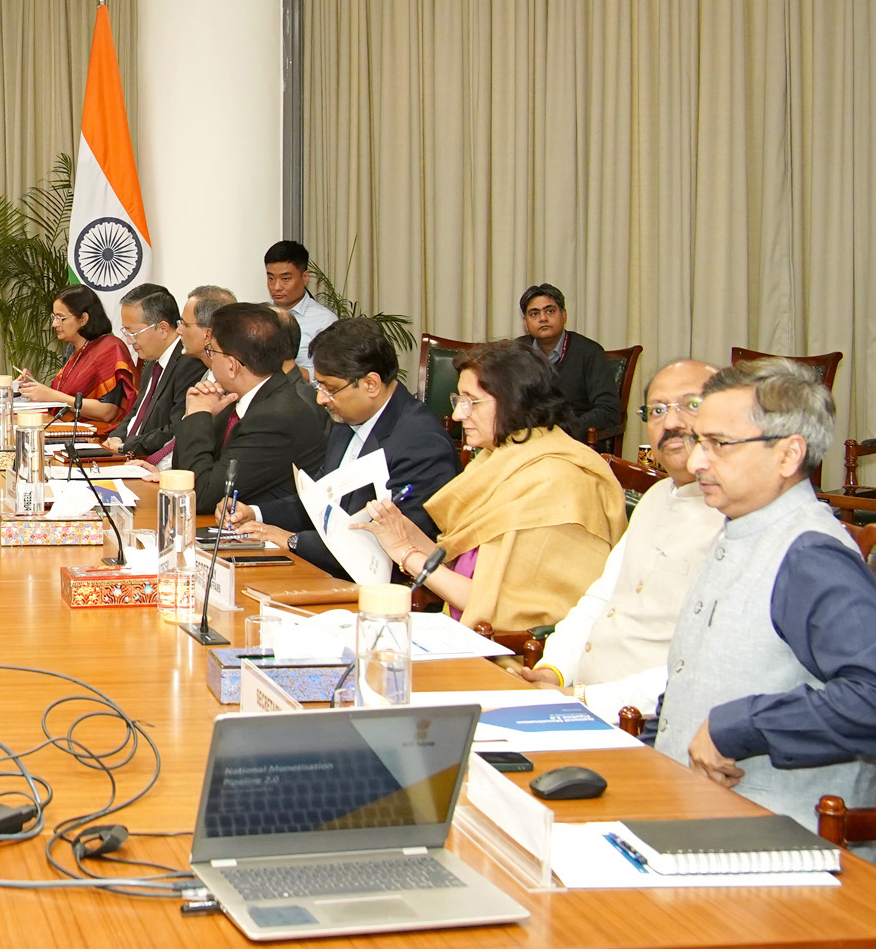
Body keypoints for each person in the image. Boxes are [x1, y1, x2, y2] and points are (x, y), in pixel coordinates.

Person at [656, 358, 876, 833]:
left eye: (719, 444)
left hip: (778, 840)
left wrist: (742, 726)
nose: (695, 462)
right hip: (692, 814)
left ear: (788, 455)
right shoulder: (743, 529)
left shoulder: (811, 555)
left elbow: (871, 696)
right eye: (698, 441)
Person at [353, 340, 625, 631]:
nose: (457, 415)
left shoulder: (555, 484)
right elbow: (465, 568)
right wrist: (406, 534)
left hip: (514, 648)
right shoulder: (501, 455)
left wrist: (406, 554)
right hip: (463, 629)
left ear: (514, 401)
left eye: (472, 401)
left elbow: (494, 606)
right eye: (458, 400)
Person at [508, 360, 725, 722]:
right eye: (657, 410)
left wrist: (580, 698)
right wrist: (553, 671)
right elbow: (601, 598)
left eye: (690, 405)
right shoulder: (656, 496)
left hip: (647, 721)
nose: (671, 422)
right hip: (581, 701)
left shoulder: (735, 518)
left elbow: (703, 669)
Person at [223, 318, 461, 579]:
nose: (320, 398)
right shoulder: (347, 420)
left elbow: (389, 545)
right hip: (326, 572)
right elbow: (320, 502)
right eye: (319, 386)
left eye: (331, 388)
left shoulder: (422, 444)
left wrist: (291, 540)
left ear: (370, 384)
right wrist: (255, 513)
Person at [170, 302, 330, 510]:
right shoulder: (240, 398)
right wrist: (199, 416)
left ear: (232, 365)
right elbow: (182, 474)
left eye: (211, 351)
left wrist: (197, 415)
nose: (210, 358)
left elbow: (201, 495)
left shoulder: (275, 418)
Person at [15, 285, 135, 433]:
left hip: (98, 436)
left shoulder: (110, 349)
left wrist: (51, 395)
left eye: (61, 318)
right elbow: (66, 397)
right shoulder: (72, 350)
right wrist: (34, 387)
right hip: (66, 429)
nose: (54, 324)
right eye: (54, 317)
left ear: (83, 318)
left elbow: (107, 411)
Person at [110, 285, 206, 464]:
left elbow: (176, 429)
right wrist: (116, 438)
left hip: (152, 462)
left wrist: (126, 446)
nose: (129, 341)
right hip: (128, 457)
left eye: (133, 333)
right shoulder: (153, 362)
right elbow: (136, 413)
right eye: (126, 332)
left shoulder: (190, 364)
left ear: (162, 328)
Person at [515, 284, 622, 444]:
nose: (543, 318)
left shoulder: (589, 352)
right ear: (526, 323)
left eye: (550, 311)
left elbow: (609, 410)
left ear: (564, 315)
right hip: (524, 442)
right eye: (534, 314)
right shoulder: (516, 352)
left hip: (572, 442)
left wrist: (564, 430)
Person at [264, 240, 334, 373]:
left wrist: (287, 371)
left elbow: (331, 374)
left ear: (305, 277)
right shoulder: (260, 315)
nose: (276, 287)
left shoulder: (324, 321)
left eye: (285, 279)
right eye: (271, 278)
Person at [179, 285, 236, 386]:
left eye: (185, 324)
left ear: (208, 335)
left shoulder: (234, 384)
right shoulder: (206, 375)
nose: (178, 330)